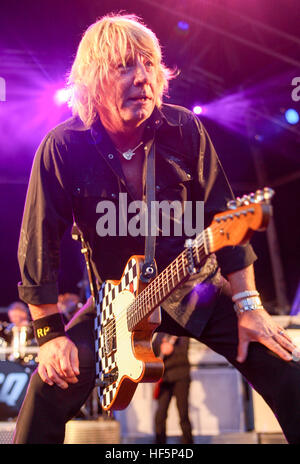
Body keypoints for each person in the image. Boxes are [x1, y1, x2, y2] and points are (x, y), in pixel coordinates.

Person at [13, 13, 300, 444]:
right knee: (46, 388)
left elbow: (227, 223)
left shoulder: (184, 129)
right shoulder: (63, 147)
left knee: (285, 370)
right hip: (115, 302)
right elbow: (39, 248)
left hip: (195, 288)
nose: (142, 77)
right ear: (92, 81)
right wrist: (50, 335)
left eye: (149, 64)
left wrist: (249, 305)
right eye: (124, 66)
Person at [153, 334, 193, 444]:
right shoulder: (160, 333)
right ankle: (159, 442)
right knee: (160, 414)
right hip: (164, 379)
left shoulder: (181, 332)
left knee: (183, 413)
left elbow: (183, 351)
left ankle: (188, 442)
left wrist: (172, 349)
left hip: (181, 378)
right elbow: (153, 349)